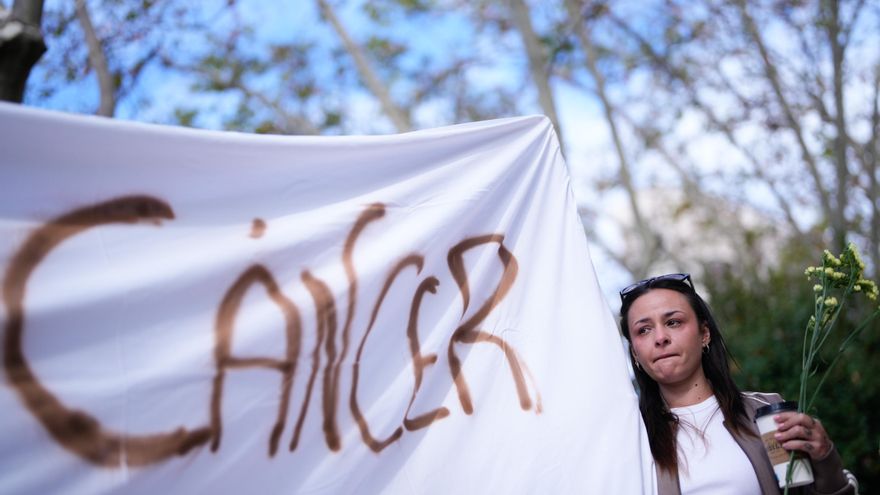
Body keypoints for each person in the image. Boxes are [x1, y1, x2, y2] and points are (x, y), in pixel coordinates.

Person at [619, 273, 856, 495]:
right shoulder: (630, 437)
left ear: (704, 334)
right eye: (644, 330)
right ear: (635, 353)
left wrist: (825, 458)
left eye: (673, 322)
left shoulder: (766, 413)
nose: (660, 338)